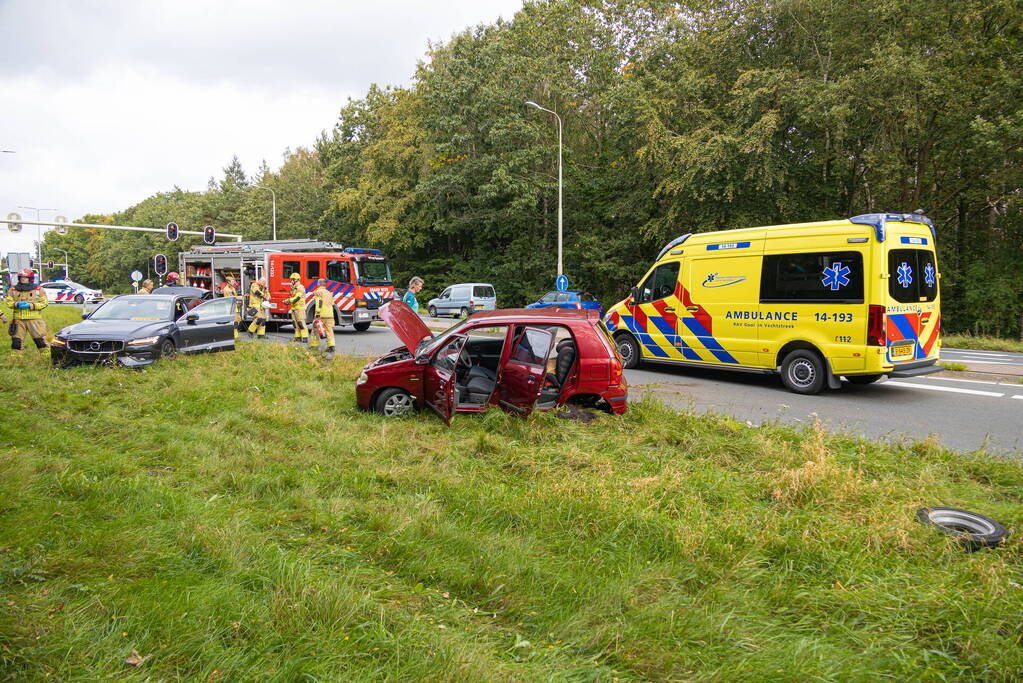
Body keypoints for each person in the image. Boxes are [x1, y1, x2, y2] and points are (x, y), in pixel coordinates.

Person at [3, 269, 49, 352]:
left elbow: (44, 303)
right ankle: (16, 358)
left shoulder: (38, 289)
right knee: (16, 342)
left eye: (25, 277)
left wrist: (30, 305)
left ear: (30, 278)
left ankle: (46, 357)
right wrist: (16, 304)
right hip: (18, 320)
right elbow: (8, 302)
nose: (23, 279)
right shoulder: (13, 290)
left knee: (40, 341)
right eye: (21, 277)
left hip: (34, 320)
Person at [308, 279, 335, 359]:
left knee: (315, 330)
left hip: (321, 314)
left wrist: (317, 313)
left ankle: (314, 346)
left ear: (318, 284)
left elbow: (319, 302)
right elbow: (332, 304)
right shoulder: (329, 293)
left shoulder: (318, 292)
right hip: (330, 315)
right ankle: (331, 347)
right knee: (329, 330)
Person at [286, 272, 308, 344]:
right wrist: (288, 300)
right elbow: (292, 296)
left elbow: (297, 298)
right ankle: (297, 337)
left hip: (300, 308)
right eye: (291, 279)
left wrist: (289, 301)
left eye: (293, 279)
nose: (291, 280)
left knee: (301, 323)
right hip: (294, 308)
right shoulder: (293, 288)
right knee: (295, 323)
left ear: (297, 279)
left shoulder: (300, 287)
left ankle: (305, 337)